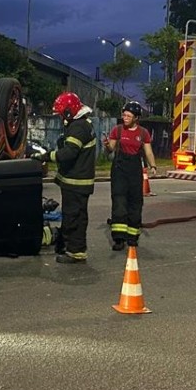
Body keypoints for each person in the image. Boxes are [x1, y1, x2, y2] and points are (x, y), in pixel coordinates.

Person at [41, 92, 96, 264]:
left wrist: (45, 156)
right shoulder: (82, 124)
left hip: (76, 182)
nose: (60, 117)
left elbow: (69, 153)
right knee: (74, 216)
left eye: (61, 113)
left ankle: (75, 252)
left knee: (74, 217)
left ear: (69, 112)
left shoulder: (78, 127)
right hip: (77, 182)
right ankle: (67, 246)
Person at [104, 101, 157, 251]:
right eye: (124, 115)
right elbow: (110, 149)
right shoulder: (118, 130)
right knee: (119, 201)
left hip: (134, 169)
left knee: (135, 202)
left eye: (129, 115)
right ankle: (119, 238)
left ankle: (133, 237)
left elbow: (148, 152)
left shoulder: (143, 133)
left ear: (136, 118)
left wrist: (153, 165)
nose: (125, 117)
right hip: (119, 169)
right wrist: (107, 146)